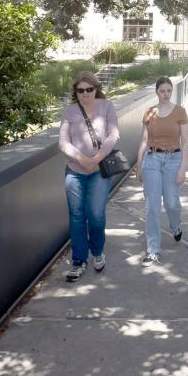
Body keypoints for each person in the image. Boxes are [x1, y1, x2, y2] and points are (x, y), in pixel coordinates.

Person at [58, 71, 120, 282]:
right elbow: (63, 143)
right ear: (76, 92)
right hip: (75, 171)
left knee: (96, 214)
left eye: (89, 89)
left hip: (99, 171)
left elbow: (114, 134)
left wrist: (97, 158)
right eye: (80, 90)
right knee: (76, 216)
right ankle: (78, 261)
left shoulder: (106, 106)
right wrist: (83, 159)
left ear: (96, 89)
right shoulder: (70, 111)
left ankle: (97, 251)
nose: (85, 94)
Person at [132, 76, 188, 265]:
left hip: (173, 159)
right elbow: (144, 140)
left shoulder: (180, 112)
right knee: (152, 206)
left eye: (168, 91)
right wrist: (139, 165)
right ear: (156, 92)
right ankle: (153, 250)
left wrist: (183, 168)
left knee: (172, 202)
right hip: (153, 159)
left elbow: (186, 142)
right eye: (162, 91)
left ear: (171, 92)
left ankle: (176, 225)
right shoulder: (149, 113)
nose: (165, 94)